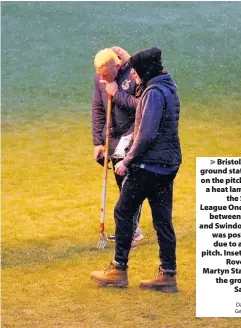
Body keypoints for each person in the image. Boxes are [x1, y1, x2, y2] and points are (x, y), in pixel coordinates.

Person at [91, 47, 182, 293]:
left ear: (145, 72)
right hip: (168, 164)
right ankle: (168, 274)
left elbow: (146, 135)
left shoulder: (153, 93)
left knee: (123, 211)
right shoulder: (168, 88)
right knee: (163, 220)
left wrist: (127, 161)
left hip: (148, 166)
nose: (135, 77)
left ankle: (118, 269)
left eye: (137, 72)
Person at [92, 47, 144, 246]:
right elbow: (97, 108)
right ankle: (133, 229)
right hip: (112, 139)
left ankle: (128, 232)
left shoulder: (133, 77)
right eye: (99, 74)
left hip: (131, 136)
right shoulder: (99, 79)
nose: (102, 77)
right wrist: (98, 141)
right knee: (121, 185)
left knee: (129, 186)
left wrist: (117, 93)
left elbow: (142, 106)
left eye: (106, 73)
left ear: (118, 65)